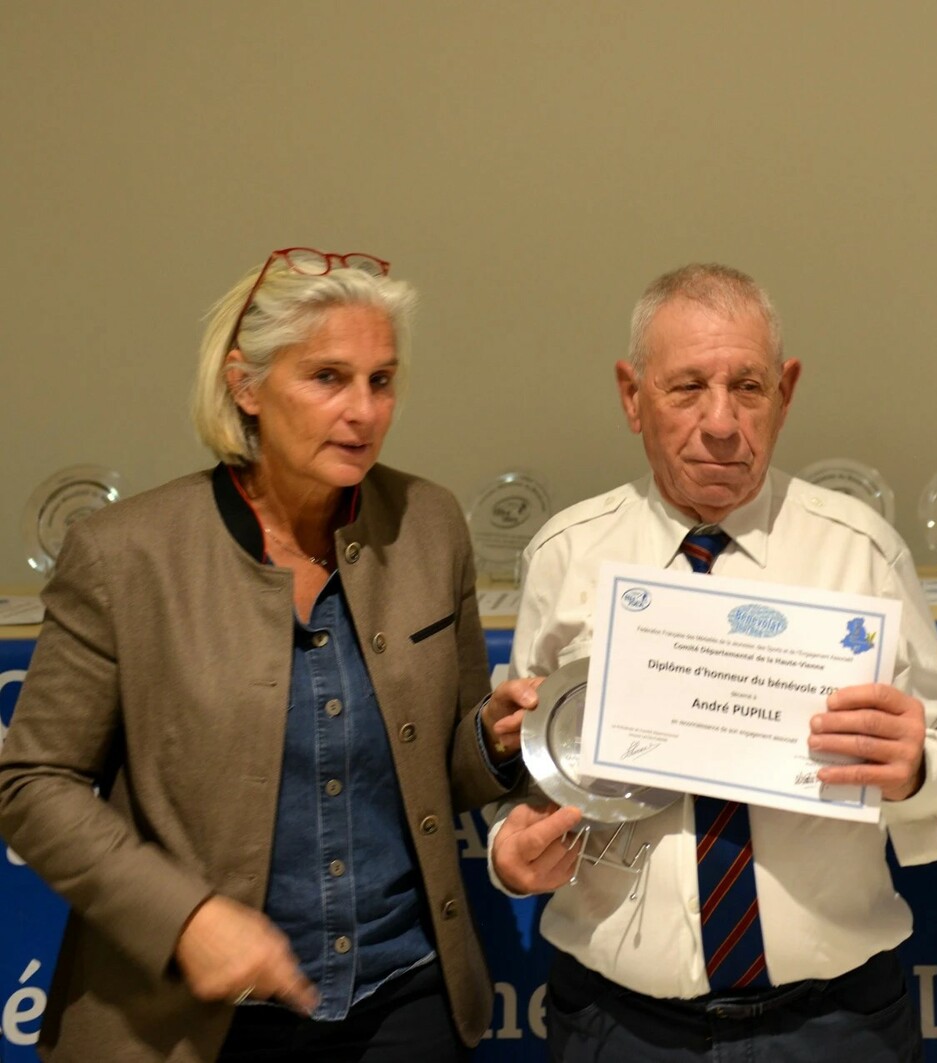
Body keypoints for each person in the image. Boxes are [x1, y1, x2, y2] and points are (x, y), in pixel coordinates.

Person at [0, 248, 537, 1062]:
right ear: (245, 385)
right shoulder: (124, 554)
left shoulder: (427, 523)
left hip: (404, 999)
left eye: (381, 380)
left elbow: (448, 768)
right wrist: (185, 918)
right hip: (193, 1022)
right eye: (328, 377)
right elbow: (33, 783)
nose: (363, 410)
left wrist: (491, 739)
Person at [486, 262, 937, 1061]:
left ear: (785, 393)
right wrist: (509, 853)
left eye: (748, 387)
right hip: (619, 1028)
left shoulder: (860, 551)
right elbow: (530, 771)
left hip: (835, 1028)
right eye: (688, 387)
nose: (722, 422)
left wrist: (917, 771)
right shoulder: (568, 555)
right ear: (632, 395)